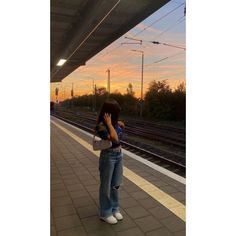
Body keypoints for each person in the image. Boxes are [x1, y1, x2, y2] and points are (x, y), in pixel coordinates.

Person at [95, 98, 125, 224]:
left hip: (118, 154)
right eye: (116, 113)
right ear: (108, 113)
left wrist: (115, 123)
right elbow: (115, 138)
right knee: (106, 185)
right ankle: (105, 213)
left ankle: (114, 208)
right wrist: (110, 124)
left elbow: (117, 135)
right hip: (108, 156)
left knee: (115, 184)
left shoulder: (114, 123)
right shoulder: (101, 126)